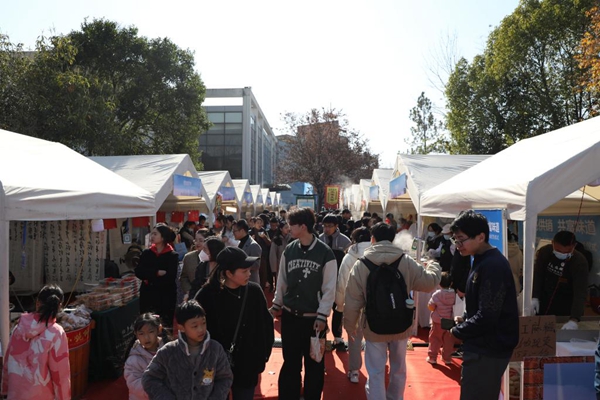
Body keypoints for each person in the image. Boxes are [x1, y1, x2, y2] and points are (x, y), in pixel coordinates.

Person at [344, 222, 440, 400]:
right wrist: (434, 265)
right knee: (398, 368)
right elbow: (429, 283)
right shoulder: (406, 260)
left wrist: (350, 326)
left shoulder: (361, 264)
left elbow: (352, 301)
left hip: (373, 325)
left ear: (373, 239)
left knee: (376, 371)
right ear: (393, 239)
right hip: (401, 323)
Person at [448, 210, 519, 400]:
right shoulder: (480, 259)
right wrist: (465, 319)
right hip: (482, 345)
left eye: (461, 239)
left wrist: (457, 331)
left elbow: (488, 314)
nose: (458, 245)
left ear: (480, 237)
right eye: (455, 240)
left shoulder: (493, 265)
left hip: (489, 348)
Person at [269, 207, 337, 400]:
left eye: (292, 225)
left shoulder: (325, 253)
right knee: (290, 362)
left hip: (314, 320)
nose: (288, 228)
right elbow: (282, 280)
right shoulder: (290, 249)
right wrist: (276, 304)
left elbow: (329, 288)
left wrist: (323, 315)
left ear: (303, 226)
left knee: (314, 363)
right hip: (291, 316)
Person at [196, 247, 274, 400]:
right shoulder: (207, 294)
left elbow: (266, 325)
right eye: (244, 271)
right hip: (215, 365)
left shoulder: (254, 291)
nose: (249, 274)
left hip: (247, 364)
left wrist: (263, 356)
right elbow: (194, 326)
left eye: (249, 270)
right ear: (229, 273)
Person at [142, 300, 233, 400]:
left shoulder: (215, 349)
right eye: (195, 326)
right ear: (181, 328)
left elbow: (225, 378)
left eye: (203, 323)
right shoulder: (168, 351)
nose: (201, 329)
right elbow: (149, 378)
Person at [1, 284, 71, 400]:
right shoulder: (56, 333)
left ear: (38, 303)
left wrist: (4, 390)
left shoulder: (18, 328)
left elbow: (8, 361)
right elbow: (60, 373)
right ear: (59, 306)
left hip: (15, 394)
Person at [335, 226, 372, 384]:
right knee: (375, 337)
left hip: (353, 301)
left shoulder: (349, 256)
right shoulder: (376, 254)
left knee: (354, 337)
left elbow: (342, 281)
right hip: (373, 302)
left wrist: (340, 305)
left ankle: (354, 371)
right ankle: (376, 368)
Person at [532, 230, 588, 329]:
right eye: (558, 250)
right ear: (552, 243)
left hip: (566, 303)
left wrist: (574, 319)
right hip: (544, 299)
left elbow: (580, 293)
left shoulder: (579, 262)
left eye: (566, 252)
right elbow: (537, 275)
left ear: (574, 246)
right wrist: (534, 296)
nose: (561, 253)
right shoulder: (545, 251)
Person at [135, 223, 179, 327]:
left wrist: (149, 277)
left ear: (163, 237)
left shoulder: (172, 255)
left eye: (155, 234)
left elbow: (170, 278)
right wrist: (156, 272)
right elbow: (139, 272)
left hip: (165, 296)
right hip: (147, 295)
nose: (152, 236)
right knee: (147, 324)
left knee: (164, 325)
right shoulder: (146, 253)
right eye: (152, 234)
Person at [319, 213, 352, 351]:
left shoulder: (345, 241)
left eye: (330, 226)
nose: (327, 229)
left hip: (339, 279)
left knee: (338, 308)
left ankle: (338, 337)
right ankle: (322, 335)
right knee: (322, 307)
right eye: (324, 226)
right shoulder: (319, 239)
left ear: (336, 226)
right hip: (323, 280)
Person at [124, 313, 167, 400]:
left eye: (151, 332)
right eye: (141, 333)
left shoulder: (168, 350)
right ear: (136, 334)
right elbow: (135, 385)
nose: (146, 338)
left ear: (159, 330)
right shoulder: (133, 360)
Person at [427, 272, 455, 365]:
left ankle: (432, 357)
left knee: (435, 338)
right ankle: (447, 358)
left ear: (439, 283)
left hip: (437, 320)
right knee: (448, 340)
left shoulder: (437, 294)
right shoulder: (453, 294)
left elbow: (430, 306)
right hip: (449, 320)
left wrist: (434, 309)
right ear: (451, 283)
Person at [180, 229, 210, 300]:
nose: (197, 243)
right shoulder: (188, 257)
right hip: (192, 295)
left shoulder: (213, 257)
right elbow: (184, 277)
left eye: (201, 240)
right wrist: (188, 290)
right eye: (196, 240)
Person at [233, 219, 262, 285]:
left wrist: (240, 264)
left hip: (250, 282)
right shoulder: (240, 243)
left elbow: (256, 265)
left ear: (242, 231)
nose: (233, 233)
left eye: (234, 231)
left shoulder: (253, 245)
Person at [269, 222, 291, 291]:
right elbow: (273, 254)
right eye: (286, 227)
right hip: (280, 265)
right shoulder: (276, 240)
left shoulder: (292, 238)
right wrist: (274, 269)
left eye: (288, 227)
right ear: (281, 229)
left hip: (290, 264)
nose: (288, 229)